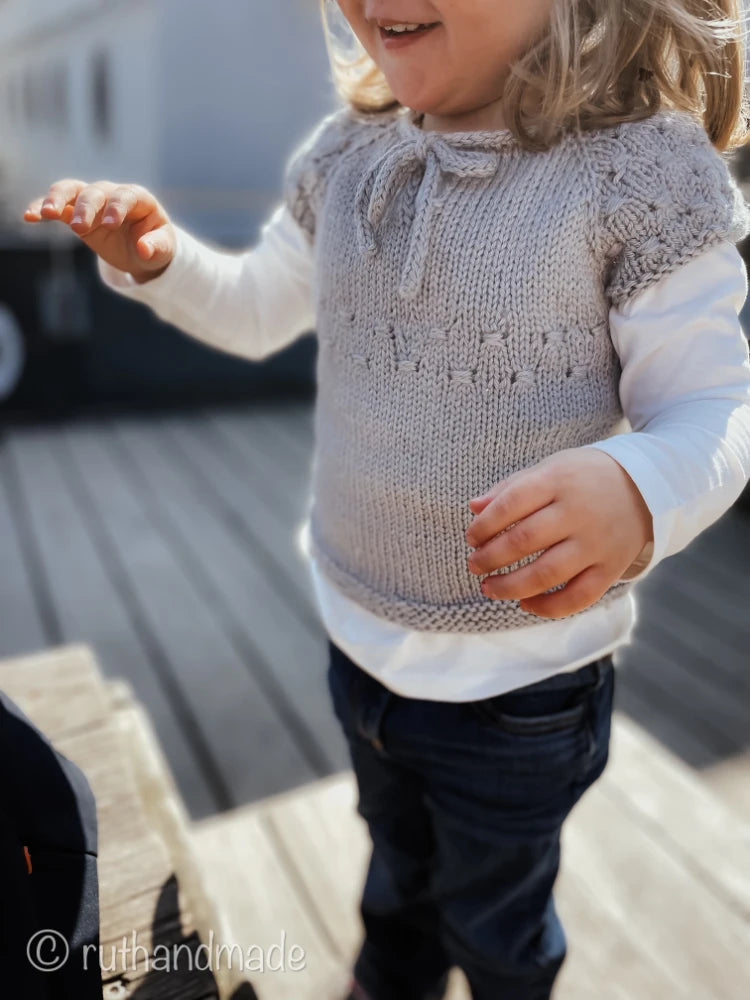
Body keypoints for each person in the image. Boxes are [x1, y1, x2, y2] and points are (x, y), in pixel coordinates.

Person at [23, 1, 750, 997]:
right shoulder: (348, 153)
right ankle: (390, 972)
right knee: (396, 861)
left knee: (496, 916)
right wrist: (161, 262)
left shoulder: (638, 173)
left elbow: (713, 409)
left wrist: (638, 486)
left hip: (521, 690)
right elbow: (258, 306)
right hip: (359, 639)